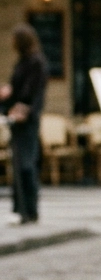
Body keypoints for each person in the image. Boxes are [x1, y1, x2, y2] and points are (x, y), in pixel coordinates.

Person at [0, 23, 49, 225]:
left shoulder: (35, 62)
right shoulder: (25, 62)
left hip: (27, 120)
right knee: (21, 164)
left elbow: (31, 93)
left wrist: (21, 107)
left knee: (26, 164)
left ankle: (29, 209)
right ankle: (23, 210)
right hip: (19, 119)